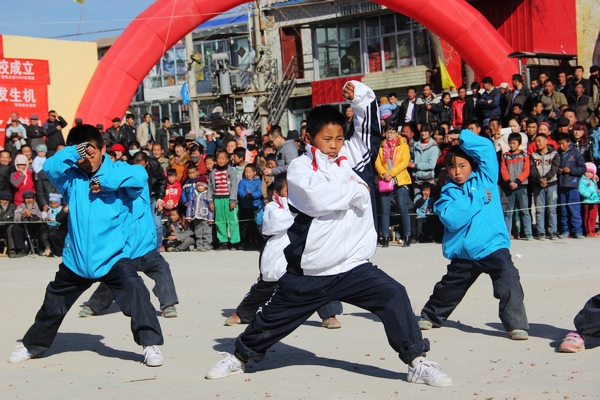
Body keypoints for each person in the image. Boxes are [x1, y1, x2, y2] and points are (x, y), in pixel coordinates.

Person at [206, 105, 452, 388]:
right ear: (309, 137)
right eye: (327, 139)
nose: (334, 146)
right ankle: (238, 356)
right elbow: (317, 201)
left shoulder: (349, 159)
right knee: (272, 319)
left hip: (352, 266)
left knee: (393, 294)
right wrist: (356, 191)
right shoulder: (299, 168)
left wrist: (360, 97)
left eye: (338, 139)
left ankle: (416, 362)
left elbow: (367, 130)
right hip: (311, 269)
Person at [7, 124, 164, 367]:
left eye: (91, 152)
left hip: (112, 257)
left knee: (136, 292)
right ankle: (32, 346)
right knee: (53, 303)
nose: (86, 159)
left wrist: (108, 181)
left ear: (103, 148)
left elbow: (141, 176)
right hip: (77, 259)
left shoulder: (118, 171)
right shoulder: (71, 177)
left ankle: (150, 344)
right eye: (81, 154)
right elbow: (49, 166)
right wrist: (75, 152)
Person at [418, 129, 529, 341]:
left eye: (462, 166)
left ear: (473, 165)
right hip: (464, 253)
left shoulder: (486, 177)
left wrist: (462, 138)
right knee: (450, 287)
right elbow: (451, 218)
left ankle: (516, 324)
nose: (457, 172)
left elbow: (486, 148)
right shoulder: (447, 193)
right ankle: (430, 316)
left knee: (508, 278)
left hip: (493, 246)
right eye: (452, 167)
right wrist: (477, 198)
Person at [79, 159, 179, 317]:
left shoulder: (142, 190)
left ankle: (169, 305)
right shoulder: (114, 200)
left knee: (162, 268)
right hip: (124, 249)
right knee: (114, 276)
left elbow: (137, 177)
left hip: (145, 247)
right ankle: (94, 305)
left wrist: (103, 182)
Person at [375, 124, 411, 247]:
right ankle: (385, 236)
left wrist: (391, 173)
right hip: (384, 180)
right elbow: (377, 162)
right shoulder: (381, 146)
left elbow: (404, 162)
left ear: (397, 133)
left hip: (399, 179)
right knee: (385, 210)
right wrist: (384, 173)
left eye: (392, 132)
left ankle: (407, 235)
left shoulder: (403, 146)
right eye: (387, 132)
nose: (389, 135)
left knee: (402, 208)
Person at [500, 133, 533, 240]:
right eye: (510, 143)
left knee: (524, 210)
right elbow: (503, 170)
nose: (512, 145)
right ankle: (507, 233)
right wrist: (509, 181)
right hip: (509, 186)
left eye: (514, 143)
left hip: (521, 186)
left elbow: (526, 170)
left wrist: (517, 181)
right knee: (509, 212)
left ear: (519, 143)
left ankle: (528, 233)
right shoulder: (505, 156)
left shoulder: (524, 155)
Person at [208, 148, 240, 250]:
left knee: (232, 221)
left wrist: (233, 200)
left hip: (229, 199)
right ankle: (223, 242)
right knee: (219, 221)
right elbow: (210, 187)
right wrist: (210, 200)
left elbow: (234, 186)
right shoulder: (213, 172)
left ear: (227, 159)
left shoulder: (231, 171)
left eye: (223, 158)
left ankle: (234, 242)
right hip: (218, 199)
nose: (221, 160)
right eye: (219, 158)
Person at [530, 133, 560, 240]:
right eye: (536, 142)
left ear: (546, 141)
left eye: (539, 141)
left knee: (552, 209)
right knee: (539, 209)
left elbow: (554, 169)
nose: (537, 144)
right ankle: (540, 232)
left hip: (551, 184)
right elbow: (532, 170)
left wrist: (546, 178)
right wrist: (539, 179)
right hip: (538, 185)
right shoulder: (533, 155)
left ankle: (552, 231)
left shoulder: (554, 154)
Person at [556, 134, 586, 239]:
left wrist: (571, 170)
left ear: (569, 143)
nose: (561, 146)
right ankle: (565, 230)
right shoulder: (557, 154)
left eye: (563, 143)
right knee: (563, 210)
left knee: (574, 209)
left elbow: (583, 168)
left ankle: (577, 230)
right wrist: (558, 170)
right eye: (559, 143)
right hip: (561, 185)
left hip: (573, 185)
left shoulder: (576, 154)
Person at [10, 190, 46, 257]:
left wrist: (31, 215)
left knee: (43, 227)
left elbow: (41, 217)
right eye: (27, 198)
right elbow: (16, 218)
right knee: (15, 228)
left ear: (34, 199)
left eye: (30, 198)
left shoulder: (38, 206)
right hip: (25, 229)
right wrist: (23, 216)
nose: (29, 200)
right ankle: (21, 249)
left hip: (35, 228)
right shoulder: (20, 207)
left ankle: (41, 248)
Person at [237, 164, 263, 250]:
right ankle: (245, 242)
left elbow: (260, 192)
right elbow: (240, 191)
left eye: (249, 172)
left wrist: (252, 195)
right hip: (245, 206)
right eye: (246, 172)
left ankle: (256, 242)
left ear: (254, 172)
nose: (247, 174)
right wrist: (245, 195)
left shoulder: (258, 182)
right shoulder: (242, 182)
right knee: (244, 225)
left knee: (254, 225)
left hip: (255, 206)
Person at [185, 176, 213, 251]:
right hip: (196, 216)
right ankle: (199, 245)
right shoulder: (193, 194)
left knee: (206, 231)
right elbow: (189, 206)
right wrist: (188, 216)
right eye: (198, 185)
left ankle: (207, 245)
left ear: (205, 186)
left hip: (205, 216)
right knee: (198, 232)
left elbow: (211, 208)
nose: (200, 187)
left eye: (202, 185)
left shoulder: (207, 194)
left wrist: (210, 218)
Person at [578, 162, 599, 237]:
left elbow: (595, 190)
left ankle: (592, 230)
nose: (589, 174)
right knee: (588, 217)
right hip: (588, 202)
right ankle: (588, 231)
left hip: (594, 202)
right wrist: (589, 195)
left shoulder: (593, 181)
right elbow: (581, 190)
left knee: (593, 217)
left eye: (591, 173)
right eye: (588, 172)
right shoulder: (583, 181)